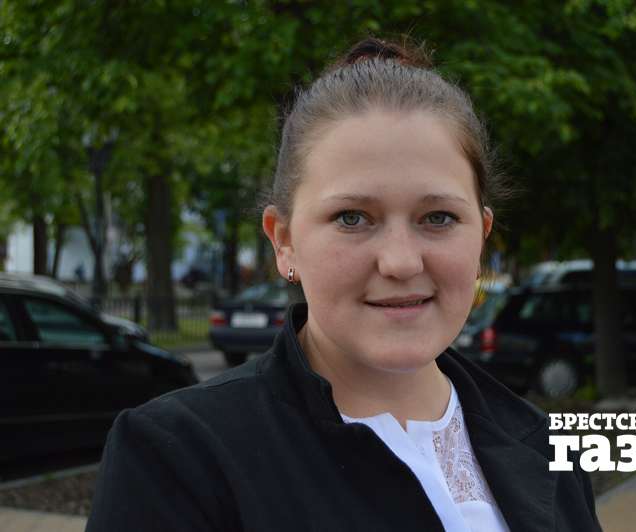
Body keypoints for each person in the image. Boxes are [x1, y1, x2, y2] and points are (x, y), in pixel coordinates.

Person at [86, 38, 601, 532]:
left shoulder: (547, 447)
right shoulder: (177, 458)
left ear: (482, 235)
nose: (400, 262)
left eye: (438, 217)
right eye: (352, 218)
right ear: (284, 241)